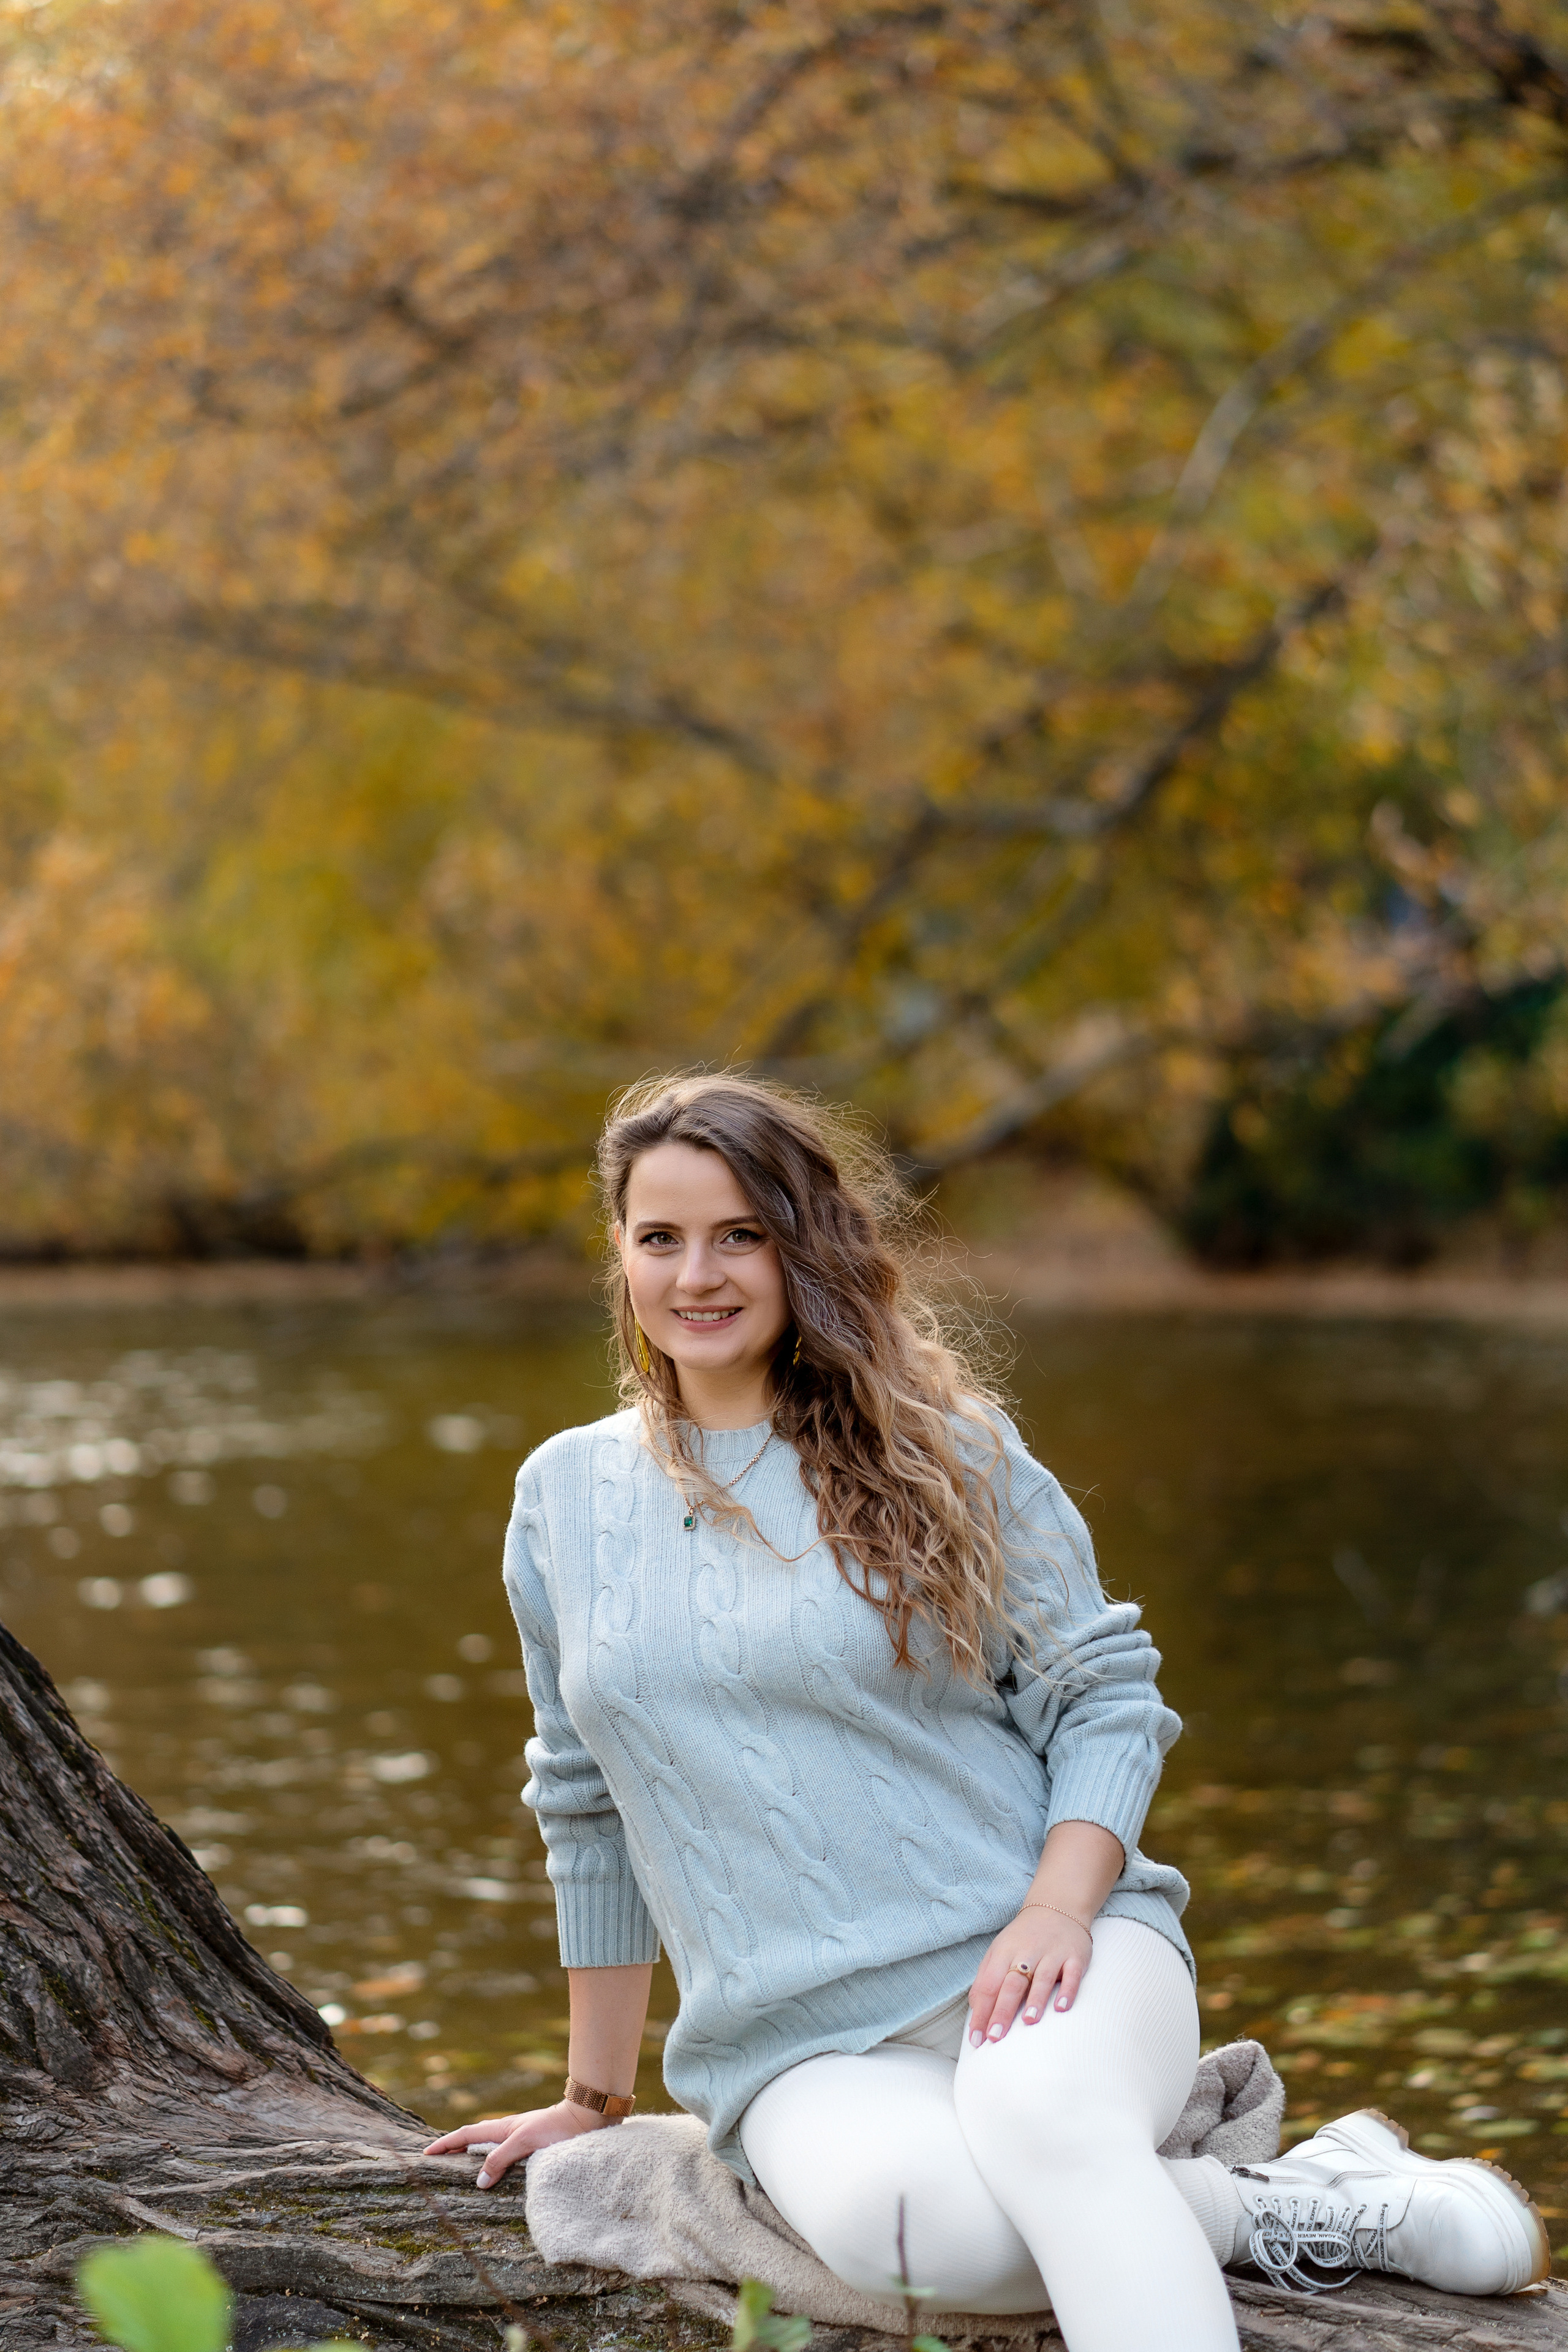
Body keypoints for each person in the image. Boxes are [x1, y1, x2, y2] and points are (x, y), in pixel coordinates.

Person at [428, 1075, 1549, 2348]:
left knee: (1039, 2123)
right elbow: (583, 1798)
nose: (700, 1273)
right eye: (660, 1237)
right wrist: (591, 2094)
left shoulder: (942, 1452)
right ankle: (1262, 2203)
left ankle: (1246, 2198)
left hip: (1043, 1949)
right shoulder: (562, 1496)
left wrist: (1056, 1909)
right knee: (927, 2244)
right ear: (620, 1257)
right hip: (798, 2046)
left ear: (803, 1246)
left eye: (740, 1233)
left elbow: (1108, 1702)